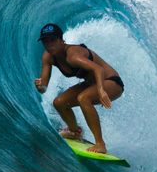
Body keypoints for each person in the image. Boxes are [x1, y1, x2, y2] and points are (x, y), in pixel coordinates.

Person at [34, 23, 124, 154]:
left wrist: (100, 90)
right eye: (45, 42)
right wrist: (40, 86)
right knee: (59, 103)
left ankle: (100, 144)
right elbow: (44, 87)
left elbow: (98, 69)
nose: (49, 45)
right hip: (91, 84)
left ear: (61, 40)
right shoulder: (48, 57)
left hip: (112, 82)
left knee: (83, 98)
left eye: (52, 40)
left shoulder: (72, 55)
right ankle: (74, 132)